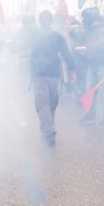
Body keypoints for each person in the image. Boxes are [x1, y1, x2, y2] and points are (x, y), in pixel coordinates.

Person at [29, 10, 75, 147]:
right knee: (46, 103)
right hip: (47, 75)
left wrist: (72, 68)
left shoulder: (50, 37)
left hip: (46, 75)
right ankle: (49, 131)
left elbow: (66, 54)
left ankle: (47, 129)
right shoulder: (51, 37)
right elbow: (66, 54)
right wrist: (72, 68)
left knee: (47, 104)